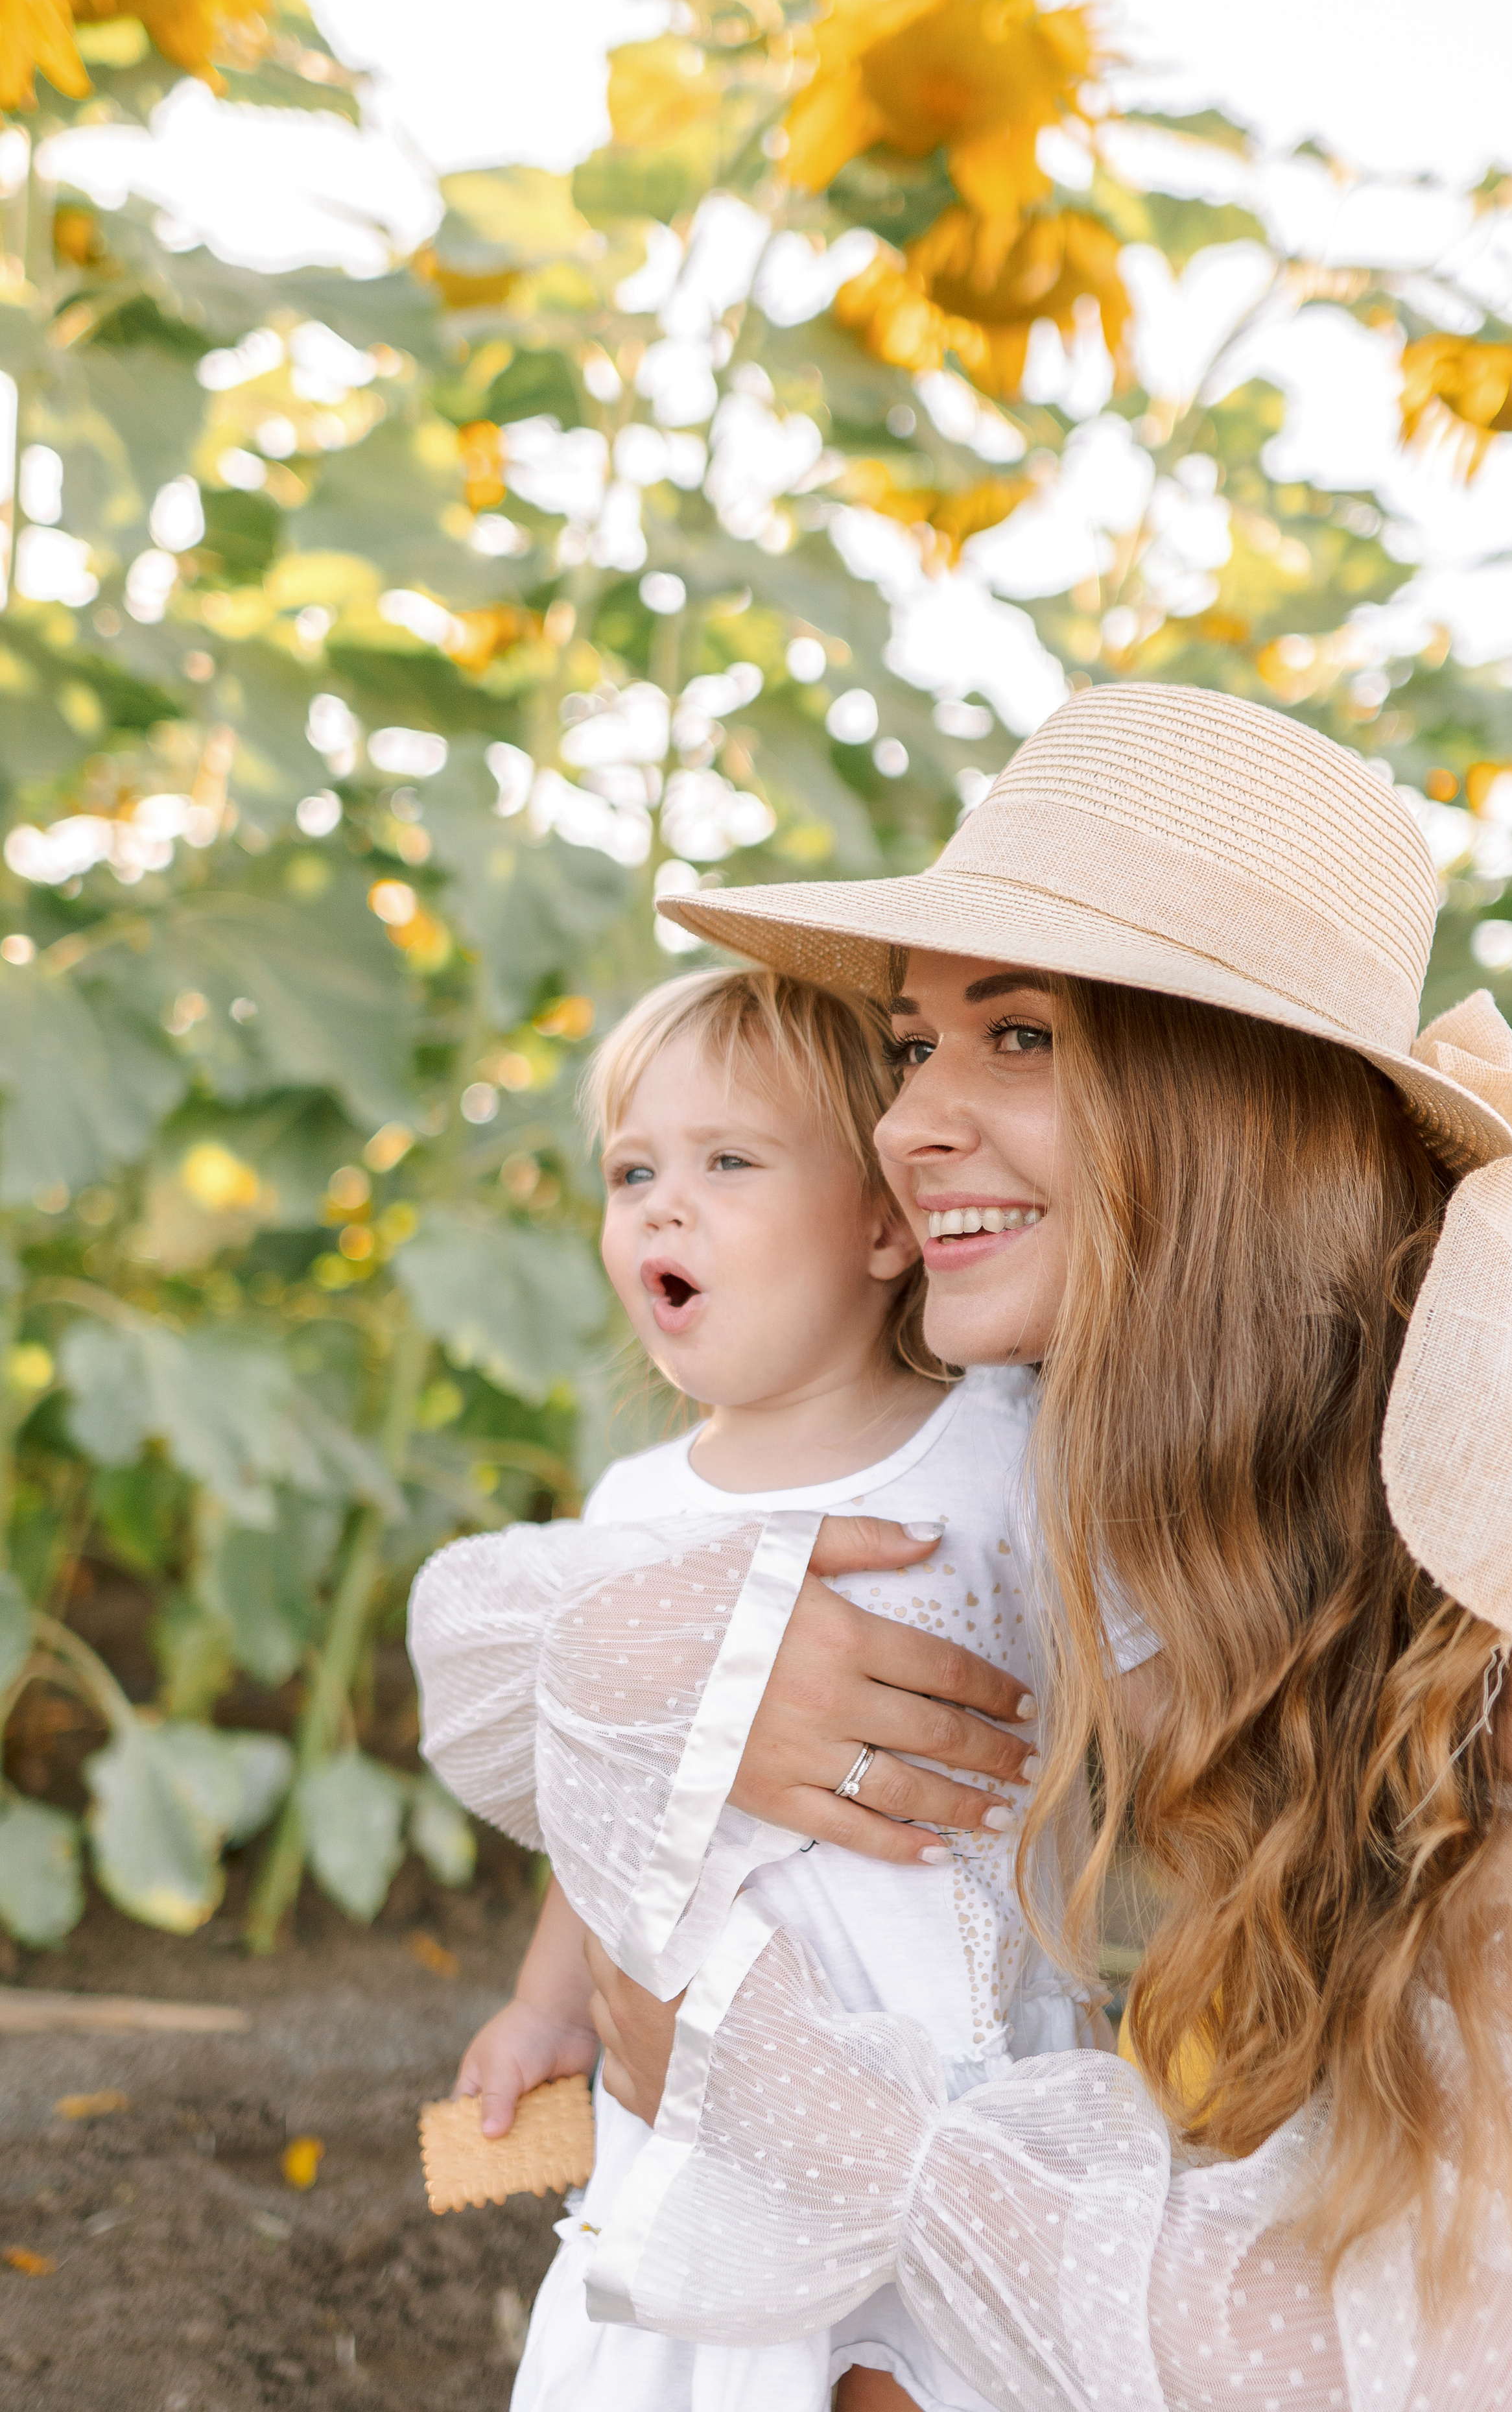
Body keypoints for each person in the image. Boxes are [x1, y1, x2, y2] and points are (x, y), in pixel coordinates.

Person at [416, 682, 1512, 2411]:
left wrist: (838, 2141)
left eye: (1021, 1038)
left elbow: (1494, 2346)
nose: (907, 1121)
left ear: (1245, 1101)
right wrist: (671, 1653)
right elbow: (483, 1648)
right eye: (917, 1045)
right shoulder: (1183, 1474)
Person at [414, 964, 1159, 2412]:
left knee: (917, 2370)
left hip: (954, 2088)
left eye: (728, 1163)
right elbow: (617, 1804)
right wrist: (546, 2002)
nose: (661, 1207)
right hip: (700, 2103)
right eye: (633, 1171)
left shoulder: (1007, 1456)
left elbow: (1161, 1710)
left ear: (888, 1222)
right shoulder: (634, 1509)